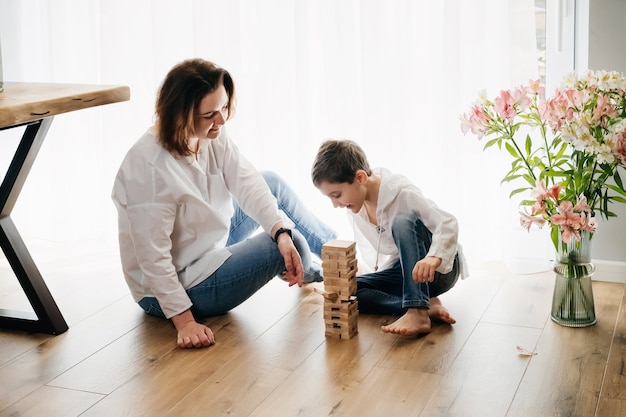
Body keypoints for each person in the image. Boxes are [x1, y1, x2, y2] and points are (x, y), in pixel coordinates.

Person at [112, 58, 336, 349]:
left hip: (207, 245)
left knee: (271, 185)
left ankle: (336, 252)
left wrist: (279, 230)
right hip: (173, 284)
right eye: (209, 115)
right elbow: (152, 258)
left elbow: (247, 181)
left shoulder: (211, 132)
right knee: (291, 247)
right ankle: (318, 271)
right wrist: (185, 322)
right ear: (180, 115)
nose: (221, 120)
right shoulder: (149, 169)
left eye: (224, 108)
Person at [311, 139, 467, 337]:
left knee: (402, 222)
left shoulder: (401, 192)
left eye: (337, 195)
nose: (336, 204)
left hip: (437, 270)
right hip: (406, 273)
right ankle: (422, 305)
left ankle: (417, 311)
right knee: (349, 293)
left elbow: (447, 222)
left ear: (359, 177)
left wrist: (434, 257)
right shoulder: (355, 206)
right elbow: (377, 253)